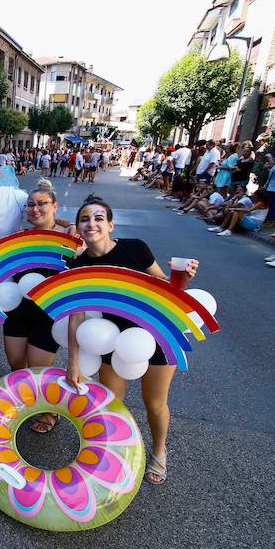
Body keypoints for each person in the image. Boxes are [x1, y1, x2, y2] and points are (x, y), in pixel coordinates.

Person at [65, 194, 198, 485]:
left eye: (99, 218)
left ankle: (159, 452)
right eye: (85, 219)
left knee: (154, 403)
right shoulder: (78, 267)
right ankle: (117, 453)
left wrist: (184, 277)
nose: (92, 223)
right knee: (113, 403)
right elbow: (75, 316)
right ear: (78, 227)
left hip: (156, 334)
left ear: (110, 225)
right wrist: (72, 362)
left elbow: (165, 285)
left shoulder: (135, 249)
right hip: (112, 341)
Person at [3, 180, 76, 433]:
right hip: (18, 309)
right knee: (15, 363)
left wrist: (71, 226)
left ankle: (48, 411)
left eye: (42, 204)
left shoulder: (69, 238)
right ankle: (24, 402)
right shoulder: (20, 238)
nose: (35, 209)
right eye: (31, 205)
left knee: (38, 371)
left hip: (48, 314)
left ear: (55, 206)